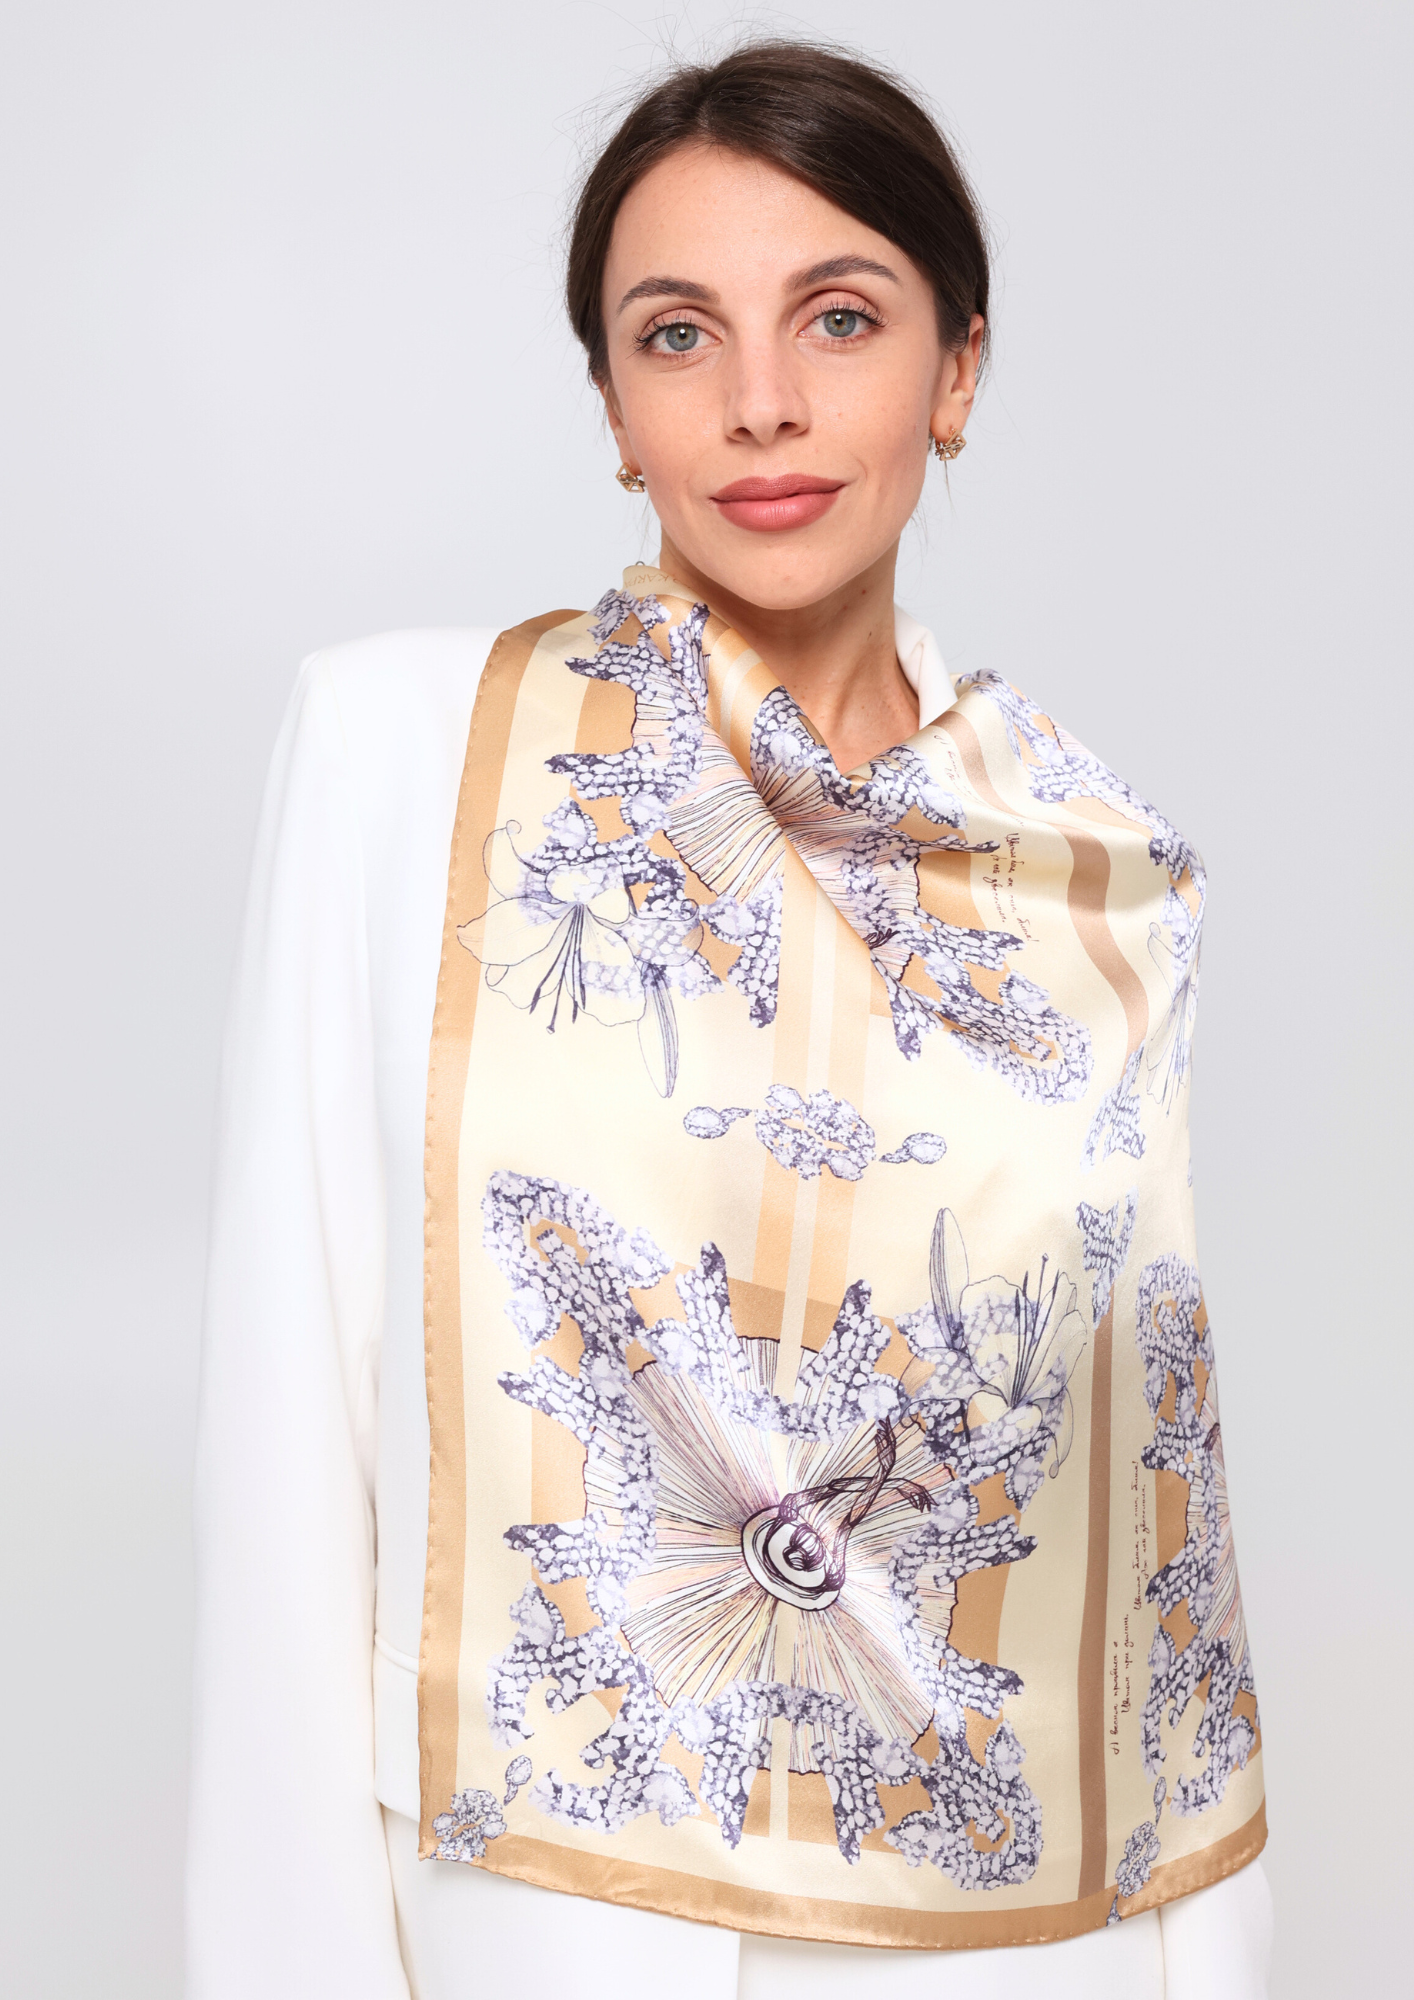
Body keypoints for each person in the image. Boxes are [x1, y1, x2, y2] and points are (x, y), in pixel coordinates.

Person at [187, 39, 1273, 2000]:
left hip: (1018, 1940)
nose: (758, 400)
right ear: (612, 407)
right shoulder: (408, 752)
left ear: (955, 370)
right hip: (551, 1914)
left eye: (837, 318)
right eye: (675, 333)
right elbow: (291, 1406)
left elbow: (1149, 1532)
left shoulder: (1087, 878)